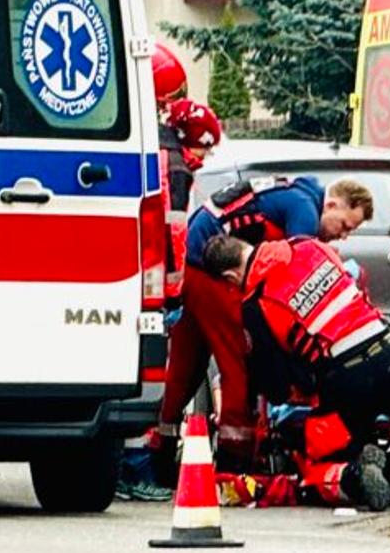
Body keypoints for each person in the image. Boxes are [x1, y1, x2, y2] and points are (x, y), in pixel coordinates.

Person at [203, 234, 390, 511]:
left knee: (314, 470)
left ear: (230, 277)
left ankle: (352, 478)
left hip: (346, 384)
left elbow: (275, 384)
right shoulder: (308, 245)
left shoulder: (255, 305)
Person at [155, 175, 374, 473]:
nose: (343, 236)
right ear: (332, 203)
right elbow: (299, 273)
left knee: (187, 363)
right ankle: (236, 463)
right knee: (241, 361)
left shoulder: (290, 195)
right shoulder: (304, 211)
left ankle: (158, 454)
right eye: (345, 226)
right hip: (214, 270)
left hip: (196, 262)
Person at [119, 44, 220, 502]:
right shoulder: (173, 160)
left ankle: (130, 467)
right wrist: (178, 295)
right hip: (158, 289)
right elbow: (174, 233)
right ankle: (136, 471)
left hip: (130, 276)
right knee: (149, 378)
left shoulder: (146, 144)